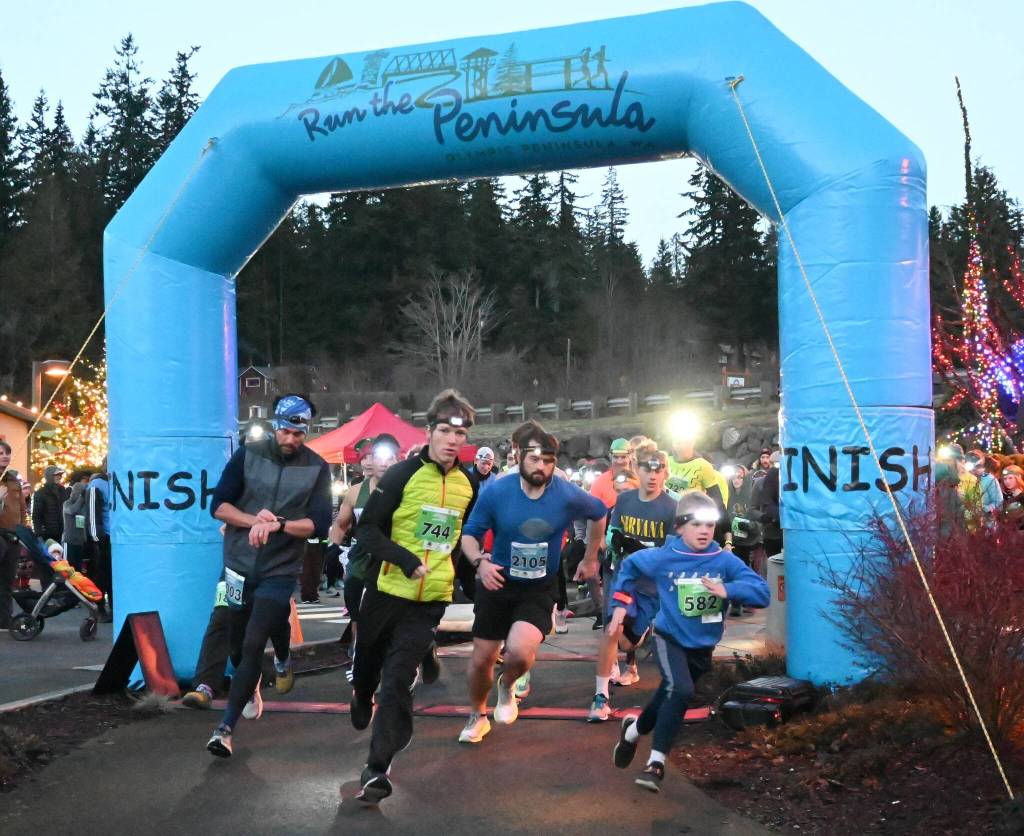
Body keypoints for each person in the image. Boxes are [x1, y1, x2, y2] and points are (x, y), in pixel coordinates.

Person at [348, 390, 478, 804]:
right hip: (387, 589)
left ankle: (377, 768)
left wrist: (457, 572)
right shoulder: (401, 475)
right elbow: (366, 531)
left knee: (398, 679)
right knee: (368, 665)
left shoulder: (466, 484)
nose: (452, 440)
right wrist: (403, 559)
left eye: (460, 433)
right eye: (444, 430)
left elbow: (458, 537)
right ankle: (359, 692)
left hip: (430, 599)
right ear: (429, 432)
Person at [608, 490, 770, 792]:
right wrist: (621, 603)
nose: (705, 531)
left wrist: (728, 590)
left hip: (702, 646)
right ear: (680, 526)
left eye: (710, 525)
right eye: (697, 524)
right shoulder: (664, 557)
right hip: (668, 637)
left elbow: (762, 592)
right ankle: (655, 763)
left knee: (668, 697)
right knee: (680, 690)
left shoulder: (723, 560)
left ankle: (632, 733)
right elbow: (629, 566)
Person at [458, 424, 607, 745]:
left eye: (549, 460)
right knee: (482, 659)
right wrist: (479, 562)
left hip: (539, 587)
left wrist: (591, 558)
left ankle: (507, 684)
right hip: (497, 581)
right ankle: (477, 714)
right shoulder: (498, 490)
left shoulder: (565, 493)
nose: (542, 467)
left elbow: (598, 513)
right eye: (535, 459)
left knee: (520, 653)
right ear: (518, 456)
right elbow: (469, 535)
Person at [205, 394, 331, 758]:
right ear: (276, 425)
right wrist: (254, 520)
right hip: (238, 564)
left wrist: (278, 525)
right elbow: (220, 506)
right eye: (287, 431)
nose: (292, 439)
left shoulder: (317, 467)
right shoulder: (248, 454)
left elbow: (317, 524)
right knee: (236, 640)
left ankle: (225, 729)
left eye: (299, 433)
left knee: (252, 642)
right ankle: (253, 680)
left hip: (280, 568)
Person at [588, 445, 677, 722]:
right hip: (623, 578)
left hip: (651, 587)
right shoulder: (624, 501)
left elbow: (672, 553)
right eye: (647, 469)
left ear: (665, 473)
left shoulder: (672, 507)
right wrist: (612, 544)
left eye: (658, 469)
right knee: (611, 628)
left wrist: (643, 548)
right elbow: (612, 532)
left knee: (629, 643)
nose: (652, 475)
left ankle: (641, 638)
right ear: (636, 470)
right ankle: (600, 696)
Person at [331, 434, 399, 676]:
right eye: (367, 458)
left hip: (396, 557)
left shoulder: (407, 488)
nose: (372, 462)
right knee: (358, 607)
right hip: (362, 558)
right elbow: (340, 524)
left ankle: (418, 653)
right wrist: (332, 550)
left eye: (378, 457)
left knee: (397, 616)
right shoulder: (355, 492)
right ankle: (359, 654)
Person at [0, 441, 30, 629]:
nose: (5, 456)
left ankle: (4, 619)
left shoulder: (13, 479)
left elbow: (21, 509)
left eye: (7, 453)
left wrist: (24, 529)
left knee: (7, 579)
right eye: (1, 452)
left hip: (13, 535)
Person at [86, 462, 113, 621]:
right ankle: (99, 608)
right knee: (102, 576)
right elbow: (92, 512)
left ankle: (113, 608)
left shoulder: (116, 482)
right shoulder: (96, 485)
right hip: (104, 537)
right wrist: (97, 537)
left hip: (117, 536)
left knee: (111, 575)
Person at [61, 469, 93, 571]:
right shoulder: (67, 503)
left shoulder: (83, 506)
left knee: (78, 569)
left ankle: (75, 587)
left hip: (79, 542)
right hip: (68, 541)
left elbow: (85, 522)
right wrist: (81, 498)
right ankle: (66, 587)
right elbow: (72, 511)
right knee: (68, 568)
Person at [32, 465, 68, 543]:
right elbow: (36, 516)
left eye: (60, 475)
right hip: (48, 534)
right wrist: (39, 534)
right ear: (49, 476)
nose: (59, 477)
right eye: (56, 475)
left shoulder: (62, 490)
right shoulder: (40, 493)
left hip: (63, 533)